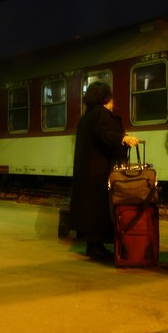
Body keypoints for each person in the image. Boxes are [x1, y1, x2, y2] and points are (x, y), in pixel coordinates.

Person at [70, 82, 139, 260]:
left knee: (91, 212)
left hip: (89, 172)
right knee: (98, 210)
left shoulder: (87, 117)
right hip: (98, 172)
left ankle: (94, 246)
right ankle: (96, 249)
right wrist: (123, 138)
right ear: (106, 98)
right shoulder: (101, 113)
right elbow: (105, 134)